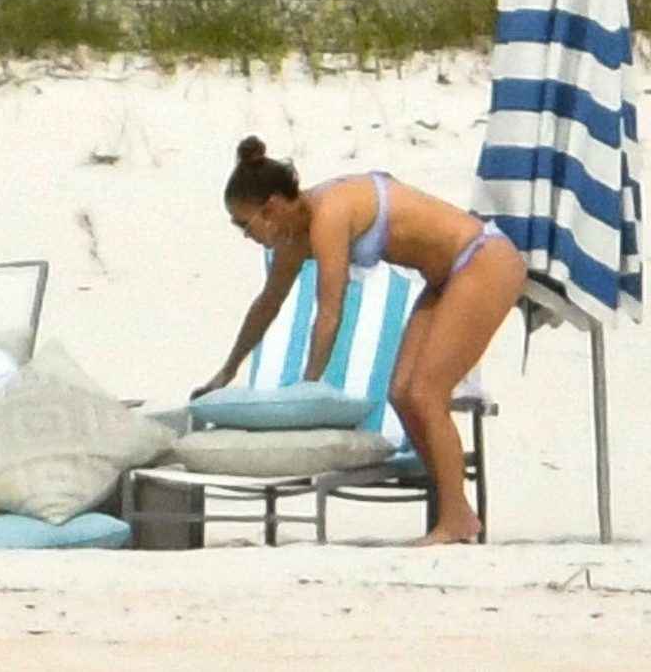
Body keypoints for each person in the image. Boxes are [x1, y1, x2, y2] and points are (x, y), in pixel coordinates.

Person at [193, 136, 526, 545]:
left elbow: (330, 311)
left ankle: (455, 515)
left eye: (244, 225)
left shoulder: (329, 213)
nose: (245, 236)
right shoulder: (294, 237)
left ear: (273, 208)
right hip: (446, 278)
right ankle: (457, 511)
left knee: (425, 393)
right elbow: (267, 305)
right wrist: (226, 370)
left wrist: (308, 387)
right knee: (401, 394)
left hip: (482, 258)